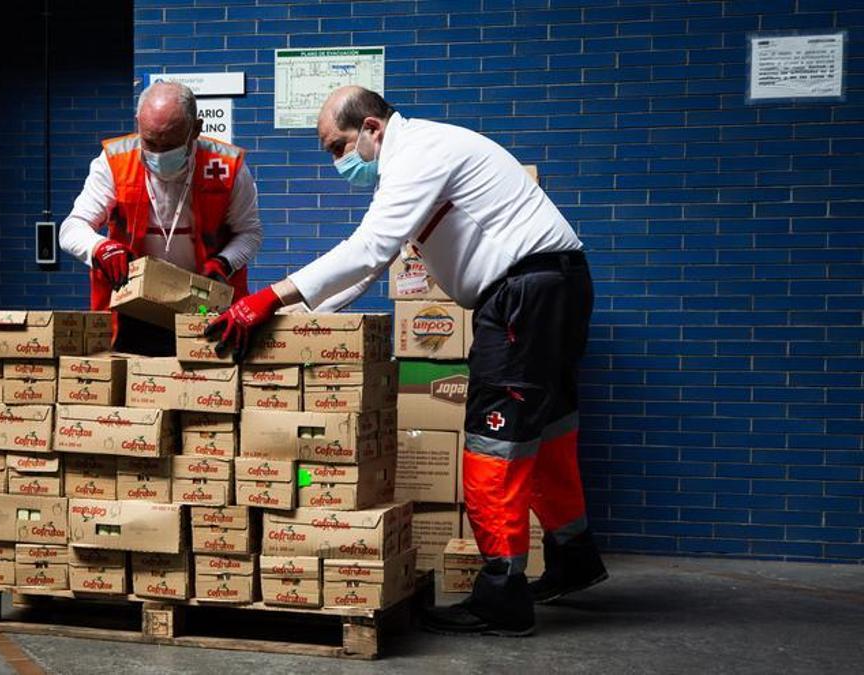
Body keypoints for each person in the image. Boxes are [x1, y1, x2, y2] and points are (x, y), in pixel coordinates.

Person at [204, 86, 607, 636]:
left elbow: (369, 248)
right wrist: (300, 319)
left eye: (337, 147)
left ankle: (502, 597)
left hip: (522, 297)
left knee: (496, 442)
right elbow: (375, 266)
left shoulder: (417, 153)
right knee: (549, 430)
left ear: (372, 127)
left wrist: (267, 298)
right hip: (553, 287)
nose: (337, 162)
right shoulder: (419, 156)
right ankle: (573, 557)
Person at [59, 81, 262, 354]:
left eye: (171, 144)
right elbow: (71, 228)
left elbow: (249, 232)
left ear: (196, 129)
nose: (158, 153)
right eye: (150, 142)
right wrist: (100, 248)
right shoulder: (113, 162)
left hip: (204, 305)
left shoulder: (226, 167)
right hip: (132, 306)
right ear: (138, 124)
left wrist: (225, 262)